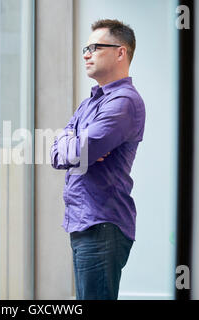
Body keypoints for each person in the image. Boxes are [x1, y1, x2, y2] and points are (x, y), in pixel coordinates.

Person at [50, 19, 145, 300]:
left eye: (95, 47)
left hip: (102, 225)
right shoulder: (91, 101)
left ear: (120, 52)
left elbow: (79, 152)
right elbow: (57, 151)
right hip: (85, 222)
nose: (86, 54)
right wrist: (73, 144)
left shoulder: (123, 101)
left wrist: (75, 145)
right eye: (85, 48)